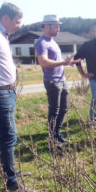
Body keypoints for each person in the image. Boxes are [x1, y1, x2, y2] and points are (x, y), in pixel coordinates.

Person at [0, 2, 35, 192]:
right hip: (1, 93)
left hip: (7, 92)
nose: (20, 25)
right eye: (18, 21)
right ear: (6, 18)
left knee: (4, 136)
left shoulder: (4, 37)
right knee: (8, 137)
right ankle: (11, 182)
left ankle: (8, 169)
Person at [35, 15, 80, 145]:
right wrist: (63, 62)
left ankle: (56, 133)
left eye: (59, 26)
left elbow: (57, 61)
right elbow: (43, 62)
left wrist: (67, 63)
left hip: (62, 79)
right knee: (54, 110)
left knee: (64, 108)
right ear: (47, 26)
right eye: (56, 26)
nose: (58, 29)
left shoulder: (53, 41)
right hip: (52, 81)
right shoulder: (41, 42)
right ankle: (51, 140)